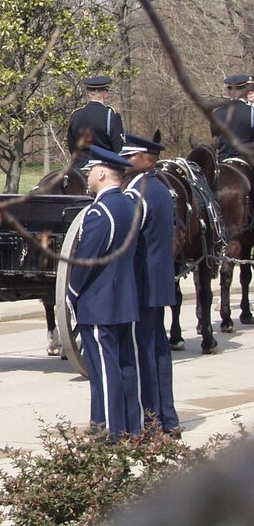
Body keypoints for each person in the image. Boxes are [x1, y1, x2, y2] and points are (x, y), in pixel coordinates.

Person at [67, 144, 140, 440]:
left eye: (89, 171)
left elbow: (86, 261)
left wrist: (71, 292)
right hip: (123, 299)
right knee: (123, 367)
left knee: (103, 372)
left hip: (99, 303)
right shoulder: (129, 206)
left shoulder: (100, 211)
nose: (86, 176)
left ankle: (110, 431)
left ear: (101, 172)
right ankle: (130, 426)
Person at [120, 133, 180, 436]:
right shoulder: (159, 188)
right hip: (158, 284)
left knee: (142, 353)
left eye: (130, 156)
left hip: (140, 286)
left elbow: (127, 244)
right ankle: (168, 417)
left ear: (148, 159)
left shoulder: (136, 194)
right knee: (158, 352)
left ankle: (151, 421)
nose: (125, 161)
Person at [67, 76, 125, 165]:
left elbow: (72, 147)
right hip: (104, 167)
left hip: (79, 167)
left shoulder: (75, 115)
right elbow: (119, 148)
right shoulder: (111, 115)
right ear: (105, 94)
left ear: (88, 94)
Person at [211, 74, 254, 160]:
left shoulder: (216, 114)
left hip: (223, 160)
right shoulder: (252, 112)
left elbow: (216, 141)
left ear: (229, 91)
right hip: (247, 162)